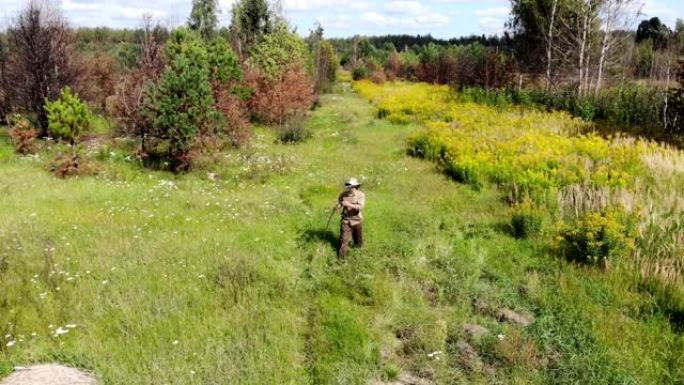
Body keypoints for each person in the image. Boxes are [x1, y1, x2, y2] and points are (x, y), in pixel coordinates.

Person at [337, 178, 365, 258]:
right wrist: (338, 206)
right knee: (344, 239)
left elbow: (360, 207)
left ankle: (358, 248)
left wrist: (348, 204)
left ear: (356, 186)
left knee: (358, 238)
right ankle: (341, 258)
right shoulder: (343, 194)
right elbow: (340, 202)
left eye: (352, 186)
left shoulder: (360, 195)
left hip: (357, 220)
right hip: (346, 220)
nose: (350, 188)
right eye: (348, 186)